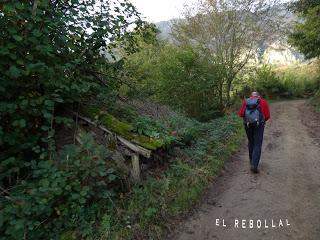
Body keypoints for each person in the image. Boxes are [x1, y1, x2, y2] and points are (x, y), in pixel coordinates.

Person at [238, 92, 270, 173]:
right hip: (259, 125)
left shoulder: (246, 102)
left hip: (247, 125)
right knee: (257, 144)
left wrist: (248, 119)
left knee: (251, 142)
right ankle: (254, 165)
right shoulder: (263, 102)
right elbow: (267, 116)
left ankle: (251, 161)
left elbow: (241, 114)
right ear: (259, 96)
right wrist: (261, 121)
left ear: (251, 96)